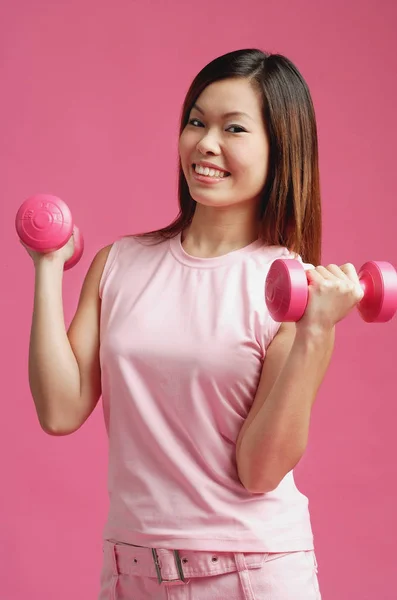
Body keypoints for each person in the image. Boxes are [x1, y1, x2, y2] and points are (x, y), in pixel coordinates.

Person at [24, 48, 364, 599]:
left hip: (249, 574)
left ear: (281, 150)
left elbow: (260, 470)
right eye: (196, 121)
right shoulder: (119, 265)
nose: (206, 143)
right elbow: (60, 411)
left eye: (234, 128)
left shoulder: (293, 292)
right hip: (130, 571)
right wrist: (47, 269)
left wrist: (316, 333)